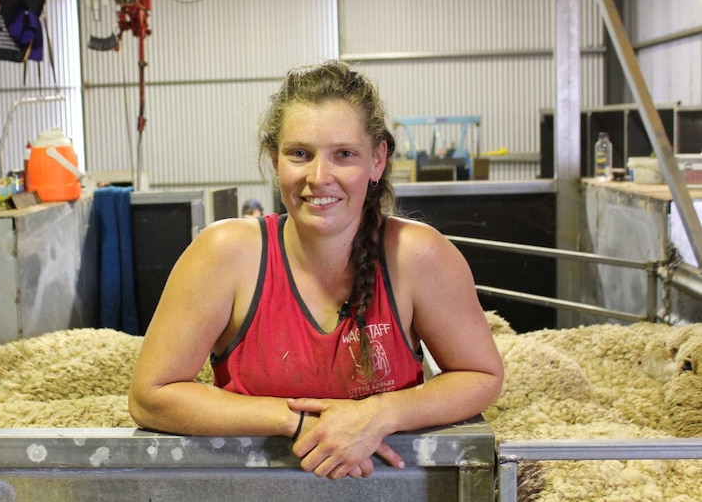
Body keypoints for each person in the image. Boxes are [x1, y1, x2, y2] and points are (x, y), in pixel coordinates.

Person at [129, 60, 504, 480]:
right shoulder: (224, 255)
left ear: (377, 160)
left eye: (344, 154)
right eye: (299, 154)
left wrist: (380, 414)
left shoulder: (418, 256)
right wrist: (300, 422)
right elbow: (151, 396)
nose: (319, 176)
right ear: (275, 161)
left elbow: (480, 375)